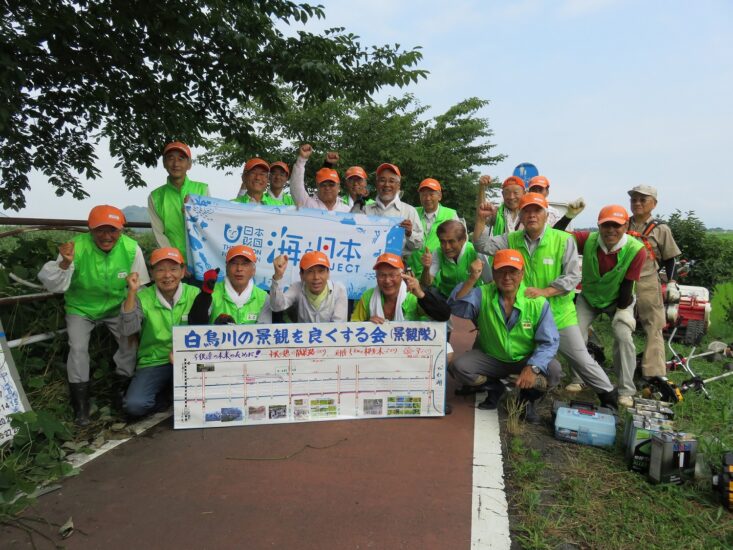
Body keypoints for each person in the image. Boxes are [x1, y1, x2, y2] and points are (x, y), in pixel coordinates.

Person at [474, 192, 619, 409]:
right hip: (526, 315)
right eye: (527, 211)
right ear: (521, 216)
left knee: (580, 359)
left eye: (537, 210)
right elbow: (481, 245)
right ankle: (514, 394)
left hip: (559, 314)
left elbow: (572, 276)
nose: (532, 215)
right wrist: (481, 219)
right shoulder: (510, 239)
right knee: (496, 351)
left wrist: (546, 292)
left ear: (545, 214)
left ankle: (609, 396)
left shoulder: (563, 239)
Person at [38, 205, 150, 425]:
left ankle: (121, 392)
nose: (106, 236)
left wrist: (136, 314)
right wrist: (65, 263)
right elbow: (53, 284)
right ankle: (81, 407)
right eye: (100, 230)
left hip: (117, 306)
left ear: (121, 230)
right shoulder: (75, 248)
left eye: (113, 230)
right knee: (78, 349)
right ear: (90, 229)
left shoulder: (130, 248)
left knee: (130, 341)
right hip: (81, 307)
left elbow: (141, 286)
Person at [448, 249, 561, 422]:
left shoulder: (537, 302)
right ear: (493, 273)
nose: (507, 277)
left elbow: (549, 342)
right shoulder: (483, 293)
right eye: (501, 271)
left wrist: (532, 368)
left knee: (553, 370)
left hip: (524, 358)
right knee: (459, 367)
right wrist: (472, 279)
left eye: (513, 271)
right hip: (491, 357)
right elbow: (455, 307)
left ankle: (527, 399)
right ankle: (494, 387)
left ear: (522, 274)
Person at [571, 205, 647, 407]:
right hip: (589, 297)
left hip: (619, 300)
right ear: (599, 226)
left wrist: (622, 314)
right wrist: (569, 216)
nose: (611, 230)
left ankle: (626, 390)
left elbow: (628, 284)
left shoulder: (636, 250)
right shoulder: (588, 240)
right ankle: (578, 379)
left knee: (623, 337)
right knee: (575, 333)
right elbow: (556, 236)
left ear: (626, 225)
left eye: (617, 225)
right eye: (606, 225)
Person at [120, 247, 199, 418]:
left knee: (202, 402)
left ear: (183, 271)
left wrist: (183, 353)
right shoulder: (143, 297)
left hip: (190, 359)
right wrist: (132, 292)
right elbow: (128, 329)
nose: (167, 275)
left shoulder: (195, 294)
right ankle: (163, 398)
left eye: (173, 269)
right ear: (152, 273)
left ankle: (171, 393)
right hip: (153, 360)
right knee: (135, 406)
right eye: (160, 269)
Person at [627, 184, 681, 379]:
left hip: (648, 281)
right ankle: (625, 367)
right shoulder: (622, 224)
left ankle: (653, 373)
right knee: (622, 325)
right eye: (634, 199)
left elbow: (670, 258)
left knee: (654, 326)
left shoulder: (661, 229)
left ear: (654, 204)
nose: (637, 203)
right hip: (623, 281)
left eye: (643, 199)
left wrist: (672, 282)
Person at [148, 142, 210, 264]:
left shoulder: (202, 189)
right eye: (170, 158)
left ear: (189, 164)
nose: (176, 164)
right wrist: (175, 260)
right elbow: (158, 234)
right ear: (164, 163)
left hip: (202, 261)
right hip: (173, 264)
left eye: (181, 159)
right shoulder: (155, 196)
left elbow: (209, 224)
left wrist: (194, 212)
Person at [351, 253, 451, 323]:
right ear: (376, 277)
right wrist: (367, 325)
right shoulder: (368, 296)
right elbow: (352, 327)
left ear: (402, 276)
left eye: (392, 275)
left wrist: (421, 294)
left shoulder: (412, 298)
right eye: (382, 275)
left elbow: (444, 315)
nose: (387, 280)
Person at [351, 162, 424, 257]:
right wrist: (358, 201)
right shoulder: (365, 210)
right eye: (382, 180)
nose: (386, 184)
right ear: (377, 184)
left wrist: (410, 234)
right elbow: (351, 233)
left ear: (398, 185)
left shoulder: (409, 211)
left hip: (398, 267)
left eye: (391, 181)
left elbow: (418, 246)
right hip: (367, 265)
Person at [188, 245, 272, 325]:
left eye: (245, 264)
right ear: (226, 268)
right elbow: (195, 325)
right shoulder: (211, 292)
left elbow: (263, 333)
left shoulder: (264, 297)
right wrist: (205, 294)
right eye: (234, 263)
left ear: (253, 270)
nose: (239, 269)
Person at [269, 250, 348, 322]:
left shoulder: (339, 290)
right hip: (303, 336)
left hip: (331, 336)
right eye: (310, 272)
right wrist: (278, 276)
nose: (316, 277)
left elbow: (338, 325)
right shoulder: (297, 287)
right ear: (301, 275)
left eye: (321, 271)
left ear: (328, 273)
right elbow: (277, 306)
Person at [420, 219, 488, 298]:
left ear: (463, 240)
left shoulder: (475, 251)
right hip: (445, 296)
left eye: (451, 241)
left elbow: (489, 282)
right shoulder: (438, 252)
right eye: (442, 242)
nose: (447, 247)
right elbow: (426, 283)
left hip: (470, 298)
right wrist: (426, 268)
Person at [406, 178, 458, 278]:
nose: (427, 198)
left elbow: (459, 244)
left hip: (439, 277)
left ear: (439, 196)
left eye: (431, 194)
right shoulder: (412, 212)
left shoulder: (450, 214)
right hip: (412, 275)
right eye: (423, 194)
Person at [287, 144, 352, 212]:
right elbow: (296, 185)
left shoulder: (347, 211)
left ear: (338, 187)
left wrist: (328, 164)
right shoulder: (307, 204)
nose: (327, 188)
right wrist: (302, 159)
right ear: (317, 186)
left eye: (331, 185)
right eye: (323, 185)